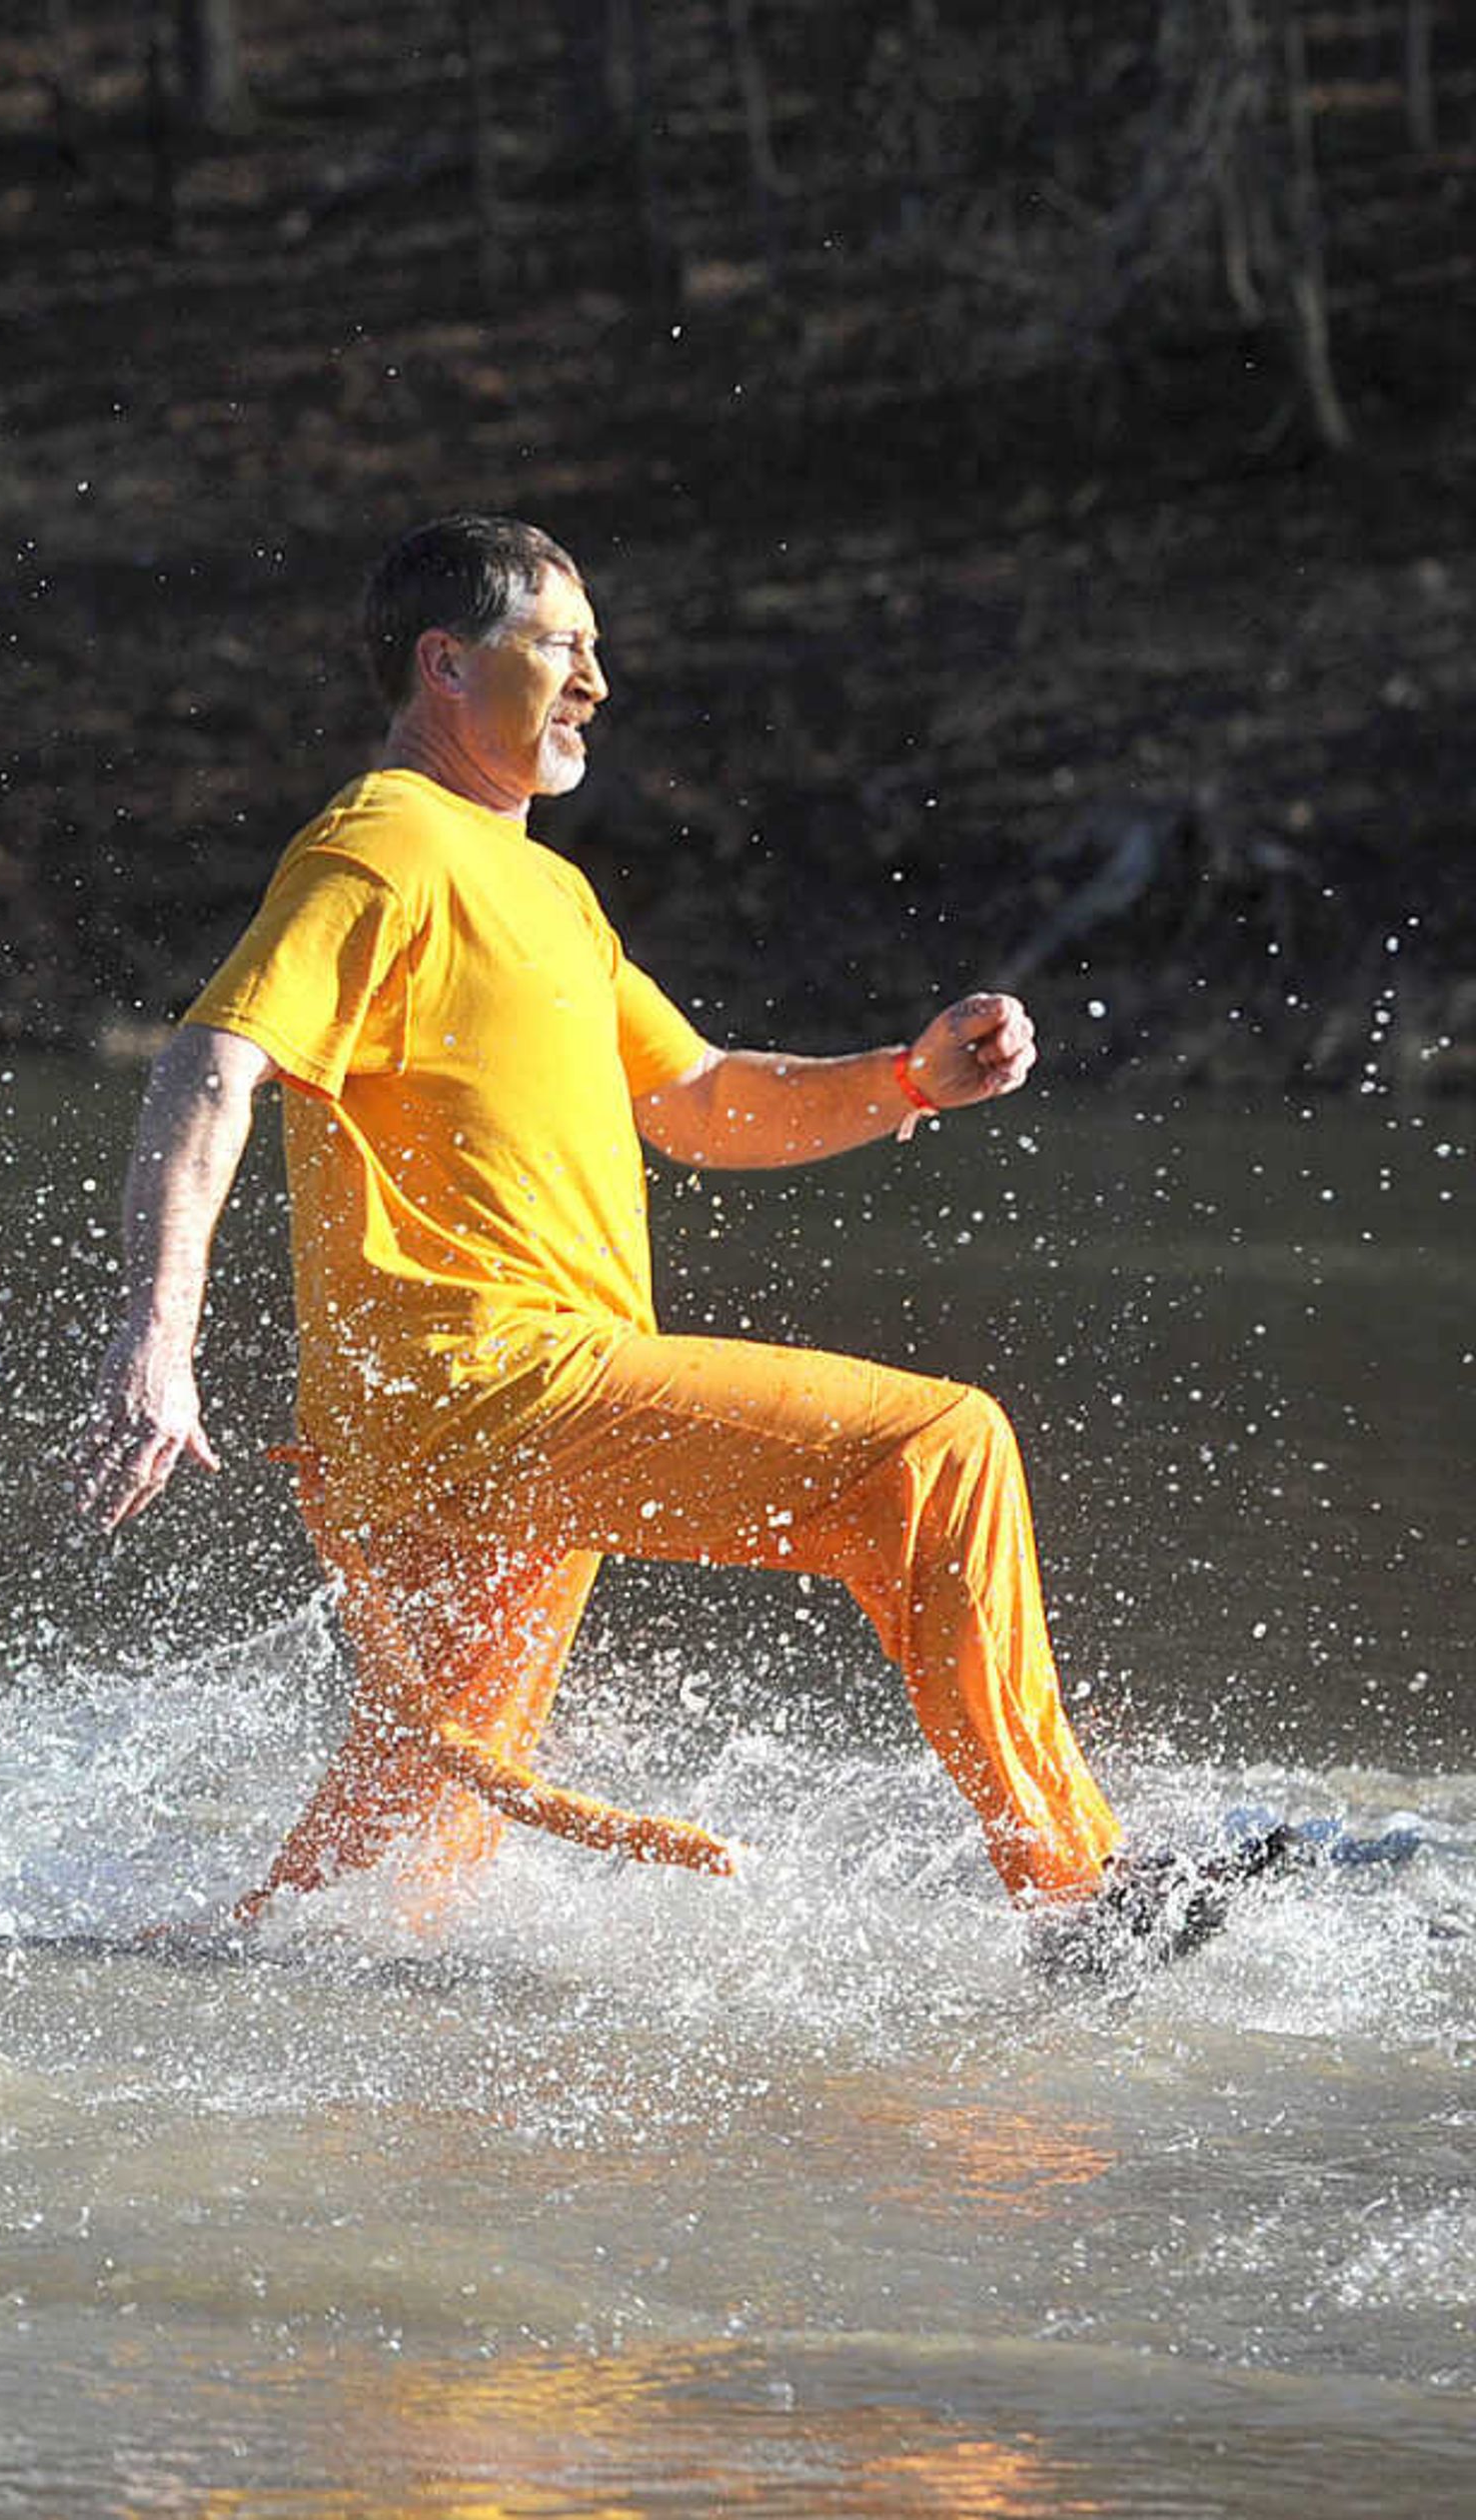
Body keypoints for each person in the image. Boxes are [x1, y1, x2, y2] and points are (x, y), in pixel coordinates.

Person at [75, 513, 1275, 1975]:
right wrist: (159, 1340)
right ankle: (1081, 1891)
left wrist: (906, 1078)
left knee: (391, 1874)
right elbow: (213, 1062)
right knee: (936, 1455)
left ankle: (142, 1978)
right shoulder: (383, 847)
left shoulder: (547, 889)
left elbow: (700, 1101)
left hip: (469, 1430)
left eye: (593, 651)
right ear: (444, 665)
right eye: (558, 648)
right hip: (491, 1391)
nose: (592, 682)